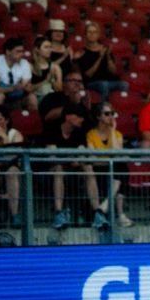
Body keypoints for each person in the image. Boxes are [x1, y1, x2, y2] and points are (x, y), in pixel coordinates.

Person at [40, 72, 92, 229]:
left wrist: (86, 108)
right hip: (53, 147)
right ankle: (58, 213)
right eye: (73, 80)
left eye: (80, 81)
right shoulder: (53, 98)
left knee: (88, 167)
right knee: (58, 168)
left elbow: (88, 127)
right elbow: (47, 117)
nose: (77, 84)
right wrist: (71, 104)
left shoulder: (84, 102)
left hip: (74, 148)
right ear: (64, 83)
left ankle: (97, 212)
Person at [83, 102, 133, 229]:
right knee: (119, 171)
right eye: (107, 114)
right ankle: (120, 215)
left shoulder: (117, 135)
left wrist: (112, 131)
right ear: (98, 116)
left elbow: (116, 154)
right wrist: (109, 160)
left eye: (112, 114)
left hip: (113, 169)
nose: (111, 117)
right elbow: (93, 159)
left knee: (121, 168)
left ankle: (103, 207)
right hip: (99, 169)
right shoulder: (91, 134)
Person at [0, 37, 38, 113]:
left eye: (22, 51)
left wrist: (28, 87)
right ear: (8, 52)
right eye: (18, 51)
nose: (21, 54)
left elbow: (25, 86)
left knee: (32, 97)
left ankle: (34, 122)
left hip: (15, 97)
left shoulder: (24, 63)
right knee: (0, 96)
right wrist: (14, 88)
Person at [74, 19, 126, 99]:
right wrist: (100, 57)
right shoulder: (82, 52)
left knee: (124, 84)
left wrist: (108, 57)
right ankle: (103, 107)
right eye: (89, 32)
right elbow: (88, 75)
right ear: (85, 34)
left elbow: (113, 71)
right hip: (92, 82)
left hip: (109, 81)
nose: (92, 34)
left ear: (98, 35)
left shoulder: (105, 49)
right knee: (103, 84)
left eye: (94, 32)